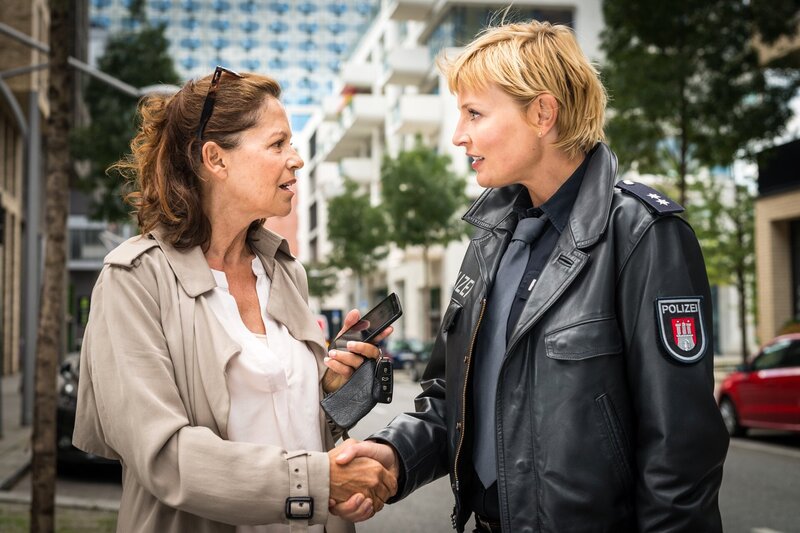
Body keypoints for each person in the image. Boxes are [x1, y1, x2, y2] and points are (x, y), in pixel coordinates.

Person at [333, 20, 729, 532]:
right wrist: (393, 456)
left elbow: (682, 454)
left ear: (543, 113)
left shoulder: (642, 234)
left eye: (474, 113)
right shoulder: (488, 241)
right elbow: (449, 397)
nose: (458, 135)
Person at [74, 67, 396, 533]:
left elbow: (300, 430)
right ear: (215, 160)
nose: (296, 159)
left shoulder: (285, 271)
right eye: (278, 144)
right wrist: (322, 481)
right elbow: (164, 457)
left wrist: (330, 388)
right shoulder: (134, 280)